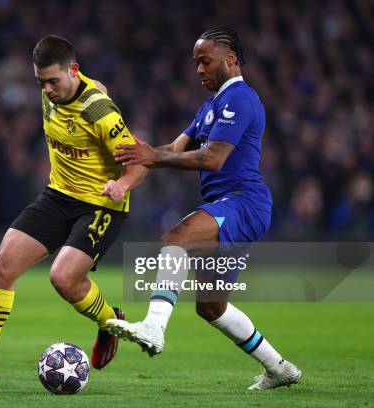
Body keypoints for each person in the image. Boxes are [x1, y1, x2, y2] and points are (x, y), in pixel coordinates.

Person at [0, 35, 148, 394]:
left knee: (63, 278)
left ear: (73, 70)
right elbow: (91, 84)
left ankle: (110, 321)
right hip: (57, 196)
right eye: (40, 82)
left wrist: (123, 184)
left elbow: (141, 163)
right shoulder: (51, 93)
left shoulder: (99, 110)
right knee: (2, 267)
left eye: (53, 81)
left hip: (102, 205)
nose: (47, 89)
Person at [107, 27, 302, 390]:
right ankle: (279, 369)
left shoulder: (240, 99)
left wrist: (154, 157)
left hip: (244, 202)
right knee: (211, 306)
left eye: (205, 60)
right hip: (233, 207)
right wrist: (133, 151)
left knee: (175, 239)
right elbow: (173, 148)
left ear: (230, 59)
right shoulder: (211, 106)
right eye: (196, 62)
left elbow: (212, 159)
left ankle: (154, 326)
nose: (198, 69)